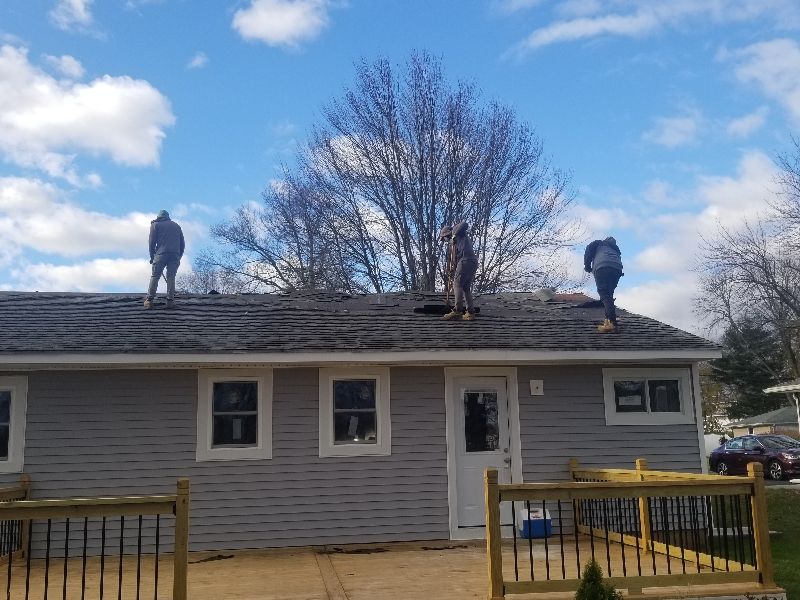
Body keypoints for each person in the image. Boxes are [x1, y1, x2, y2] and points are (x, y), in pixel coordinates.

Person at [144, 210, 185, 309]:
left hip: (161, 254)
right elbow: (182, 244)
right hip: (175, 255)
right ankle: (170, 301)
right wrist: (178, 256)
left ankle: (149, 300)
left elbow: (151, 243)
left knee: (155, 276)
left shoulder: (155, 225)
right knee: (171, 277)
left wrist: (152, 257)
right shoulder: (176, 226)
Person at [440, 221, 478, 321]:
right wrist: (452, 270)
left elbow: (464, 224)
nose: (445, 241)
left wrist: (454, 234)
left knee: (457, 284)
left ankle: (458, 310)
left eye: (444, 238)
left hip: (466, 260)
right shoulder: (455, 244)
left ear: (446, 234)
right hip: (471, 262)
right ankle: (470, 312)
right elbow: (456, 260)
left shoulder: (457, 232)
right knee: (465, 287)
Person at [584, 236, 623, 333]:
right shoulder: (616, 250)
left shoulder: (598, 243)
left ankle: (612, 323)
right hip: (617, 269)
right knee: (609, 295)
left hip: (603, 267)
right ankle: (608, 321)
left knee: (604, 294)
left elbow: (588, 251)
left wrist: (587, 266)